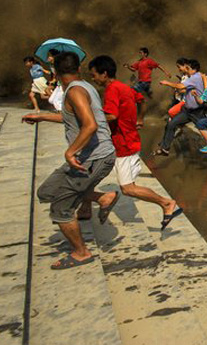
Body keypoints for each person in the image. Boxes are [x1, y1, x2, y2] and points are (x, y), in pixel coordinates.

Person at [22, 52, 118, 269]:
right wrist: (40, 117)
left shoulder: (76, 91)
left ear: (54, 70)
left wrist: (70, 151)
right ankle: (103, 198)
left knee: (60, 208)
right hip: (91, 157)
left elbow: (90, 125)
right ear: (78, 68)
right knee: (46, 191)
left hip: (95, 158)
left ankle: (81, 252)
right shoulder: (81, 87)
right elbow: (71, 118)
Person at [87, 55, 184, 229]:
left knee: (128, 189)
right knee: (90, 173)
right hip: (128, 140)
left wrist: (88, 118)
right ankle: (85, 207)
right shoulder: (124, 87)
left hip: (124, 144)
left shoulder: (112, 90)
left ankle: (166, 203)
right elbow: (142, 101)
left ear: (104, 73)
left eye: (94, 75)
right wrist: (139, 119)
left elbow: (112, 115)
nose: (93, 79)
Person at [156, 59, 206, 156]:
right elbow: (185, 88)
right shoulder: (192, 77)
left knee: (205, 131)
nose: (186, 70)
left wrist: (167, 83)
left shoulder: (195, 77)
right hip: (187, 110)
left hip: (196, 111)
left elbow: (180, 86)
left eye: (188, 68)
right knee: (172, 124)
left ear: (194, 69)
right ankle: (165, 148)